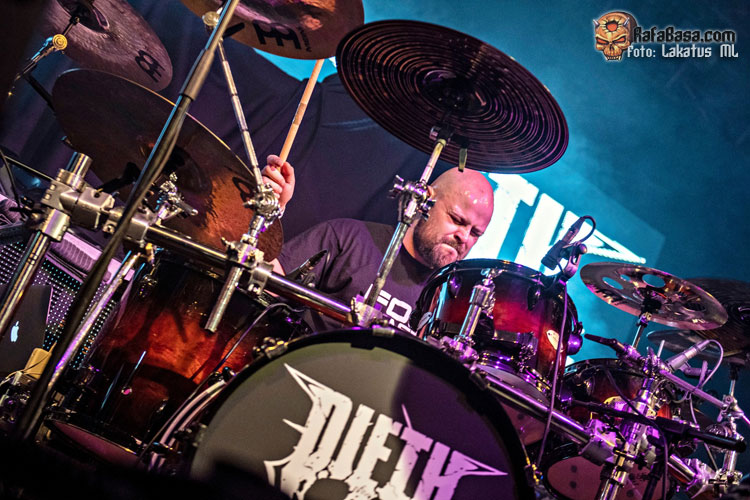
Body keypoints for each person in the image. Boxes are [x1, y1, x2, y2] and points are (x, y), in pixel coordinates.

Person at [261, 155, 494, 334]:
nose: (464, 237)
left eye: (476, 233)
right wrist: (267, 214)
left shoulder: (450, 301)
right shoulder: (348, 237)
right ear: (426, 200)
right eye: (457, 220)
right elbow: (263, 287)